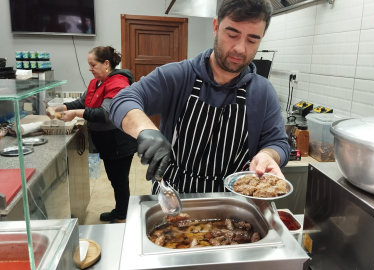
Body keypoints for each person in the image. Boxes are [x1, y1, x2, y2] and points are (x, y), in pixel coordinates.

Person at [109, 0, 289, 194]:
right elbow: (122, 99)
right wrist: (145, 130)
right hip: (174, 196)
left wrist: (268, 155)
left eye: (252, 40)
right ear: (215, 27)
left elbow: (278, 143)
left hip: (232, 202)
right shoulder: (179, 76)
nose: (240, 48)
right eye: (232, 34)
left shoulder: (263, 92)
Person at [46, 46, 137, 223]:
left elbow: (106, 114)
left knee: (119, 181)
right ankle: (120, 210)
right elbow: (82, 102)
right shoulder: (96, 83)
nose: (90, 68)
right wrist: (60, 108)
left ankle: (121, 217)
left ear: (106, 63)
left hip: (119, 141)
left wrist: (76, 114)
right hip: (107, 142)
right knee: (114, 179)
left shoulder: (118, 83)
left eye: (92, 64)